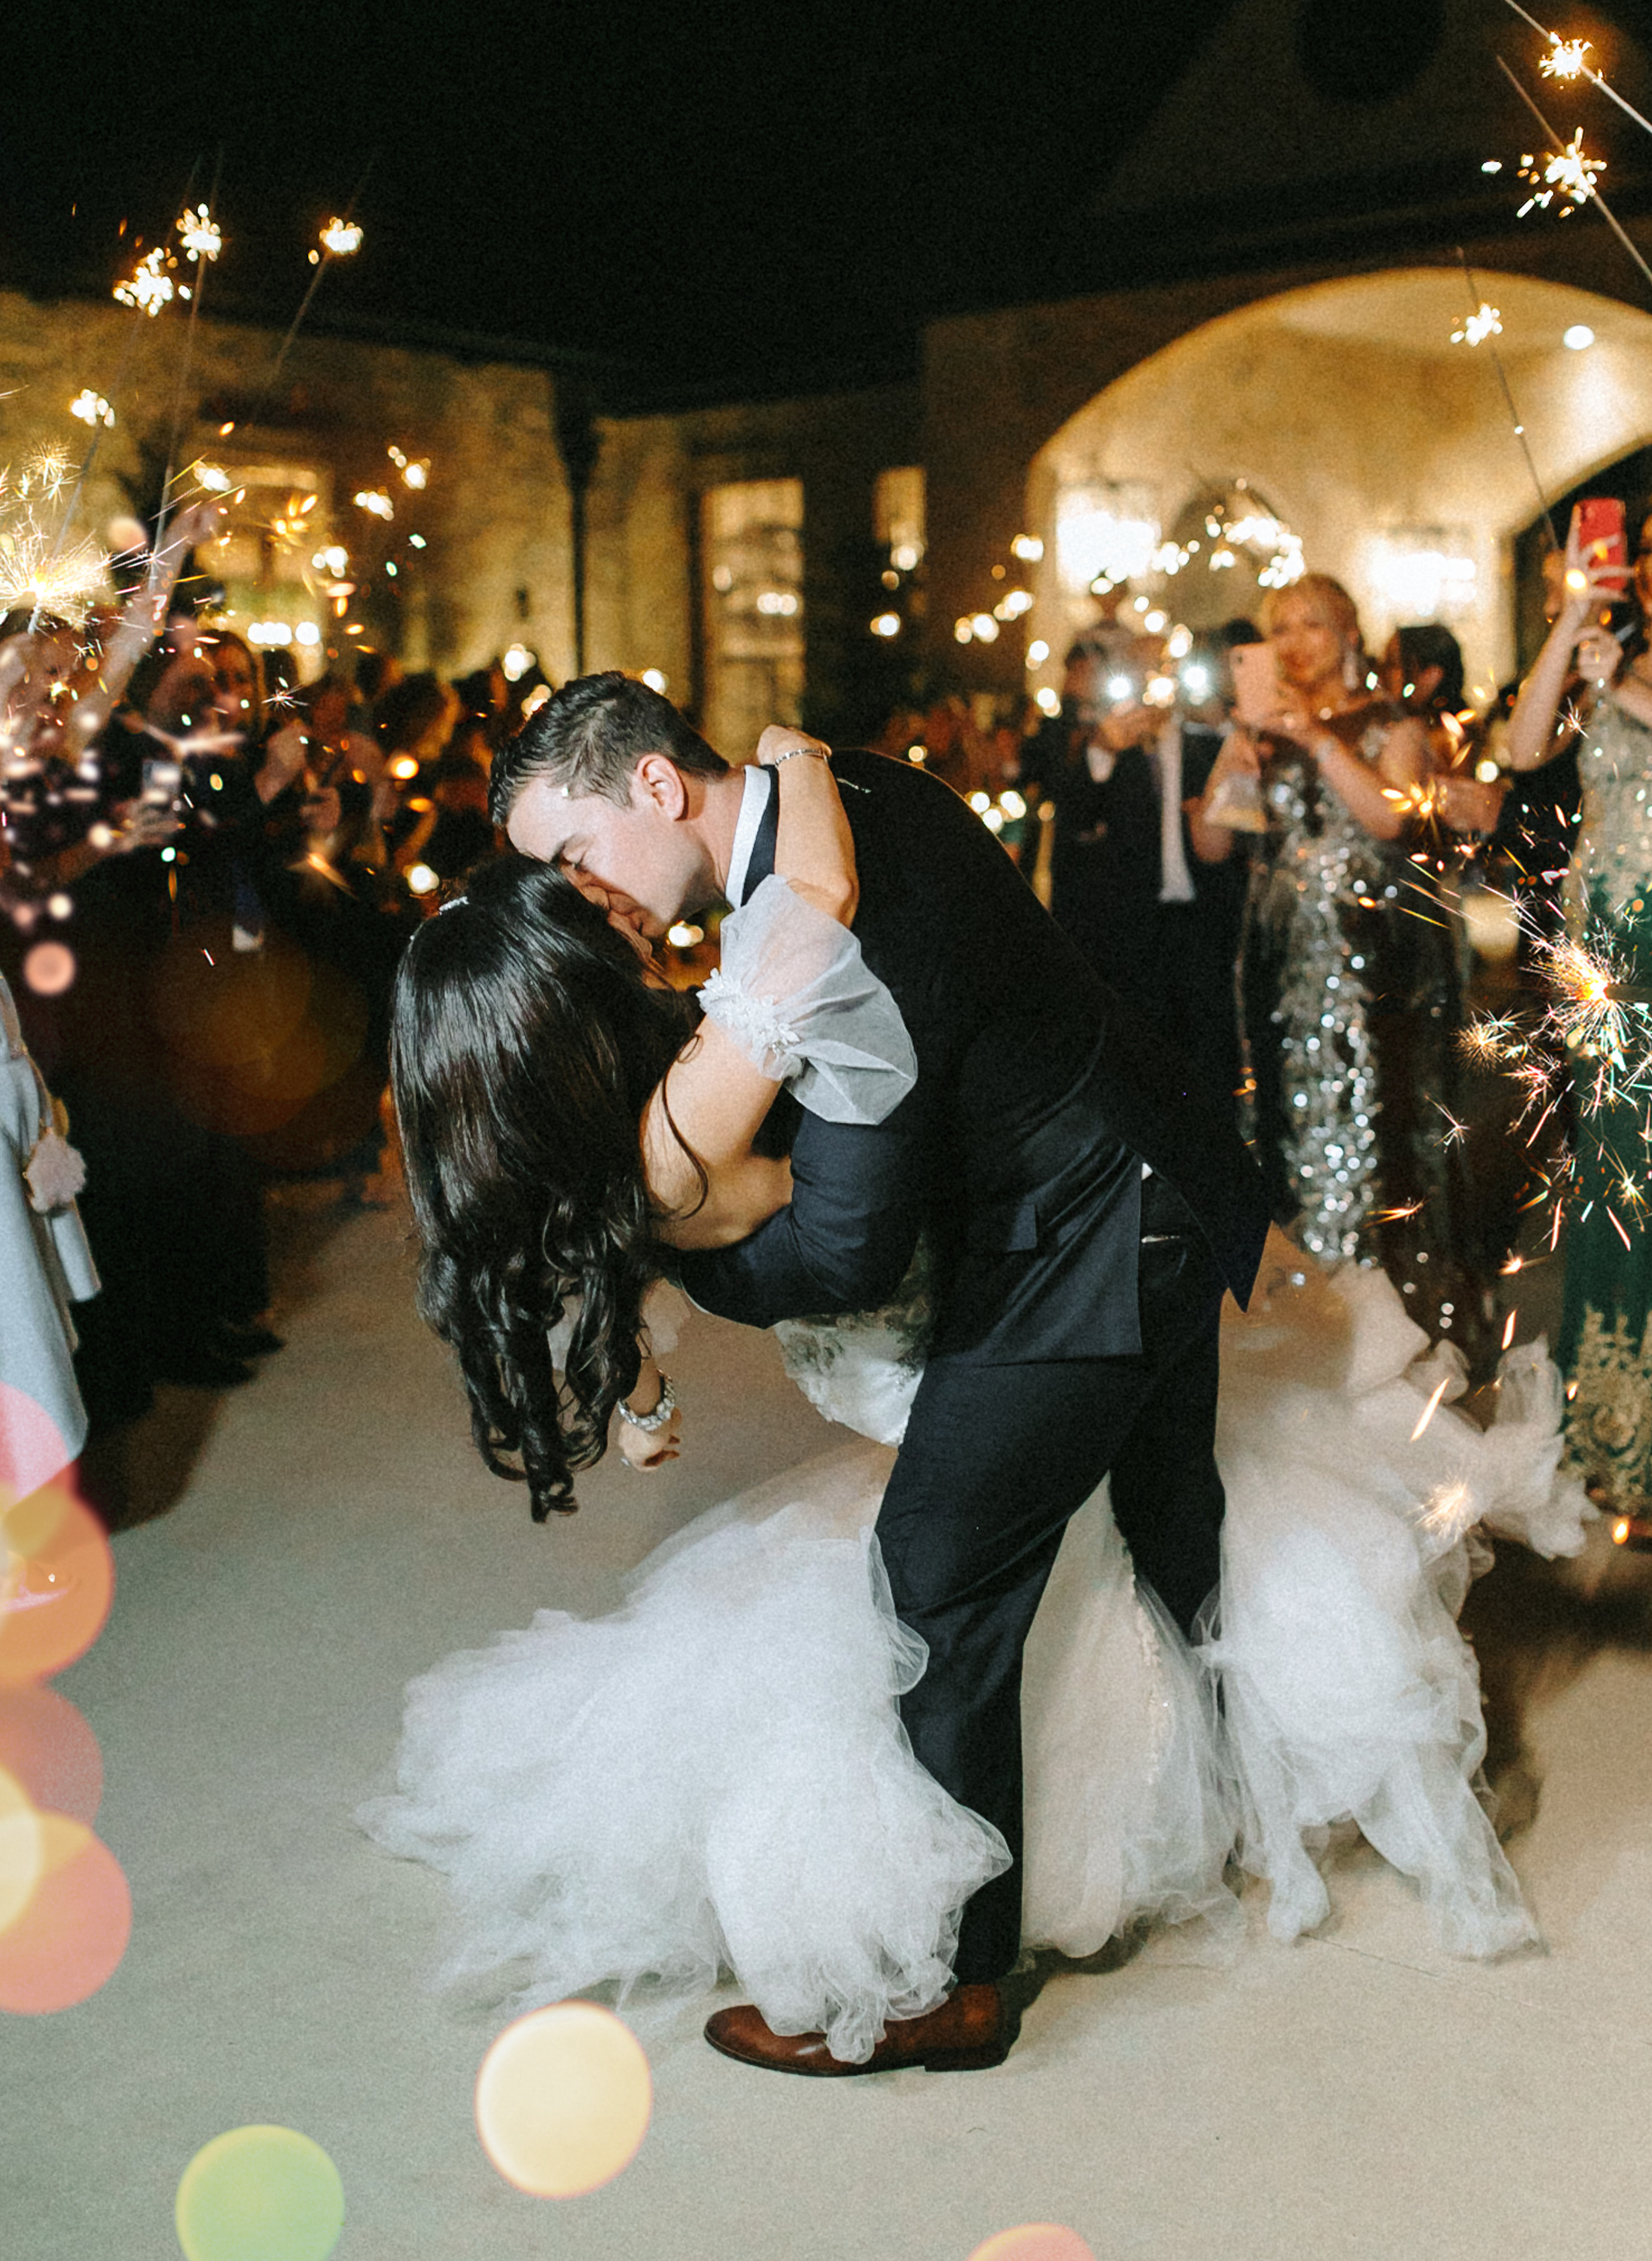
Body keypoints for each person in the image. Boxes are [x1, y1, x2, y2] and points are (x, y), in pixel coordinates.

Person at [364, 709, 1588, 2074]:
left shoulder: (819, 922)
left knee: (934, 1570)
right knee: (1171, 1508)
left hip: (1083, 1241)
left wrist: (680, 1242)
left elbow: (846, 1245)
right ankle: (1251, 1798)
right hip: (1147, 1167)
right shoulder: (833, 793)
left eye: (577, 852)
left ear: (656, 783)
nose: (572, 895)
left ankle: (948, 1985)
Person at [1191, 575, 1488, 1368]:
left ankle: (1394, 1327)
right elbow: (1214, 843)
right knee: (1288, 1127)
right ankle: (1308, 1319)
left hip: (1376, 962)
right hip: (1282, 962)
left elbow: (1391, 815)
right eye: (1279, 628)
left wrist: (1316, 737)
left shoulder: (1390, 721)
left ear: (1350, 634)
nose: (1293, 643)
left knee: (1375, 1127)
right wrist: (1240, 738)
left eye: (1311, 626)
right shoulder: (1265, 733)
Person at [1505, 508, 1652, 1520]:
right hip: (1608, 954)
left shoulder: (1630, 679)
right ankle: (1614, 1433)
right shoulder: (1616, 651)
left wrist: (1625, 694)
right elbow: (1522, 749)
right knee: (1615, 1173)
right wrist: (1570, 624)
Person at [1048, 636, 1244, 1104]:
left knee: (1204, 1061)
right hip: (1128, 928)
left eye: (1163, 666)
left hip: (1198, 922)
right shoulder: (1102, 744)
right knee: (1138, 1062)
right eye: (1139, 667)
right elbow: (1073, 818)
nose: (1154, 678)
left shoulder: (1205, 742)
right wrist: (1103, 749)